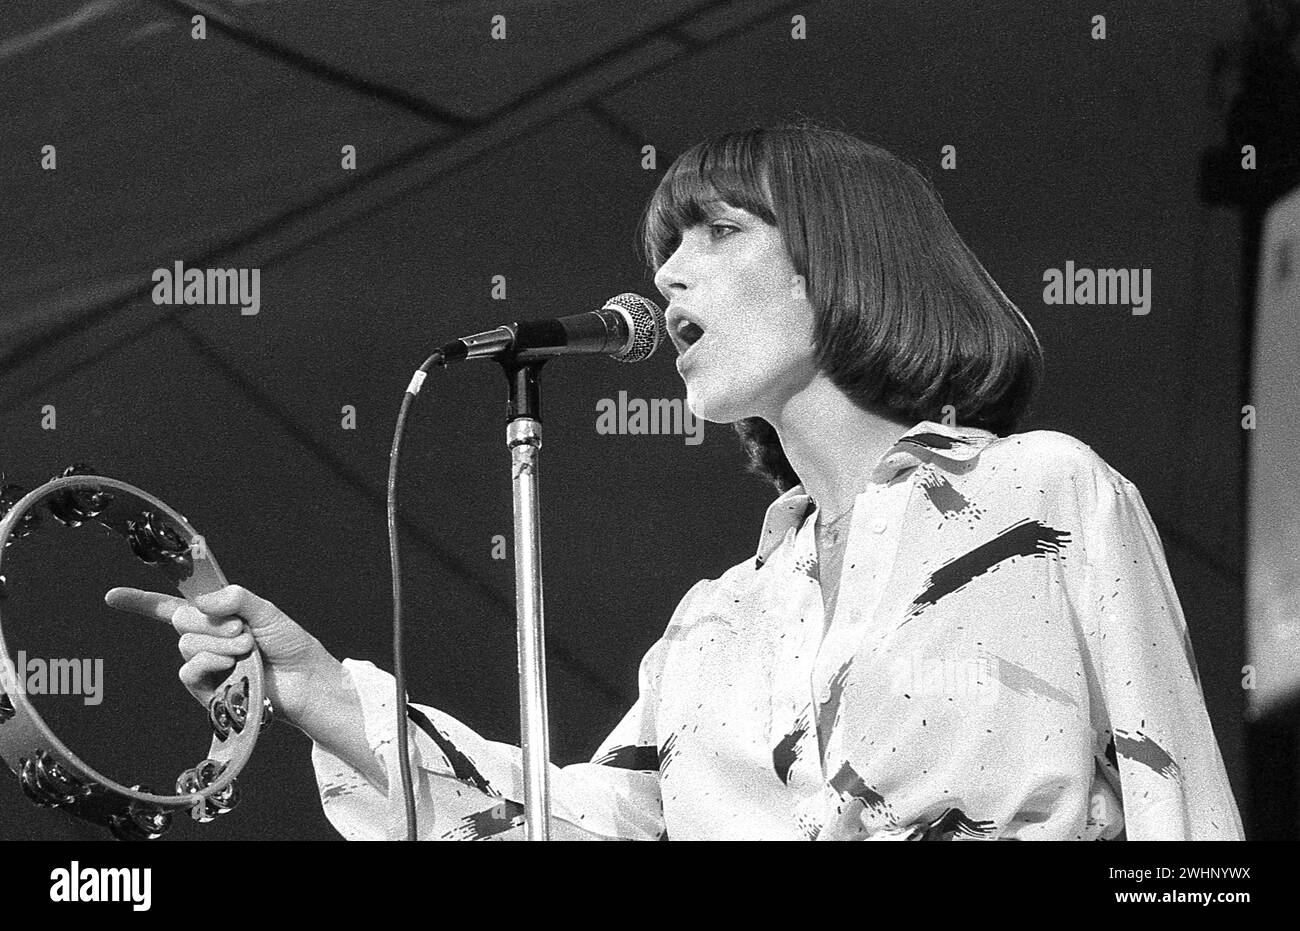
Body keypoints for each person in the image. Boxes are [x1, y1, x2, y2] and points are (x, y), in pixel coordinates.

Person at [106, 122, 1244, 840]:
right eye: (665, 244)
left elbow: (1179, 808)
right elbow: (574, 825)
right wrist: (324, 696)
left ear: (840, 257)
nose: (666, 270)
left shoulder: (1042, 495)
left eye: (716, 232)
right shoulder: (718, 620)